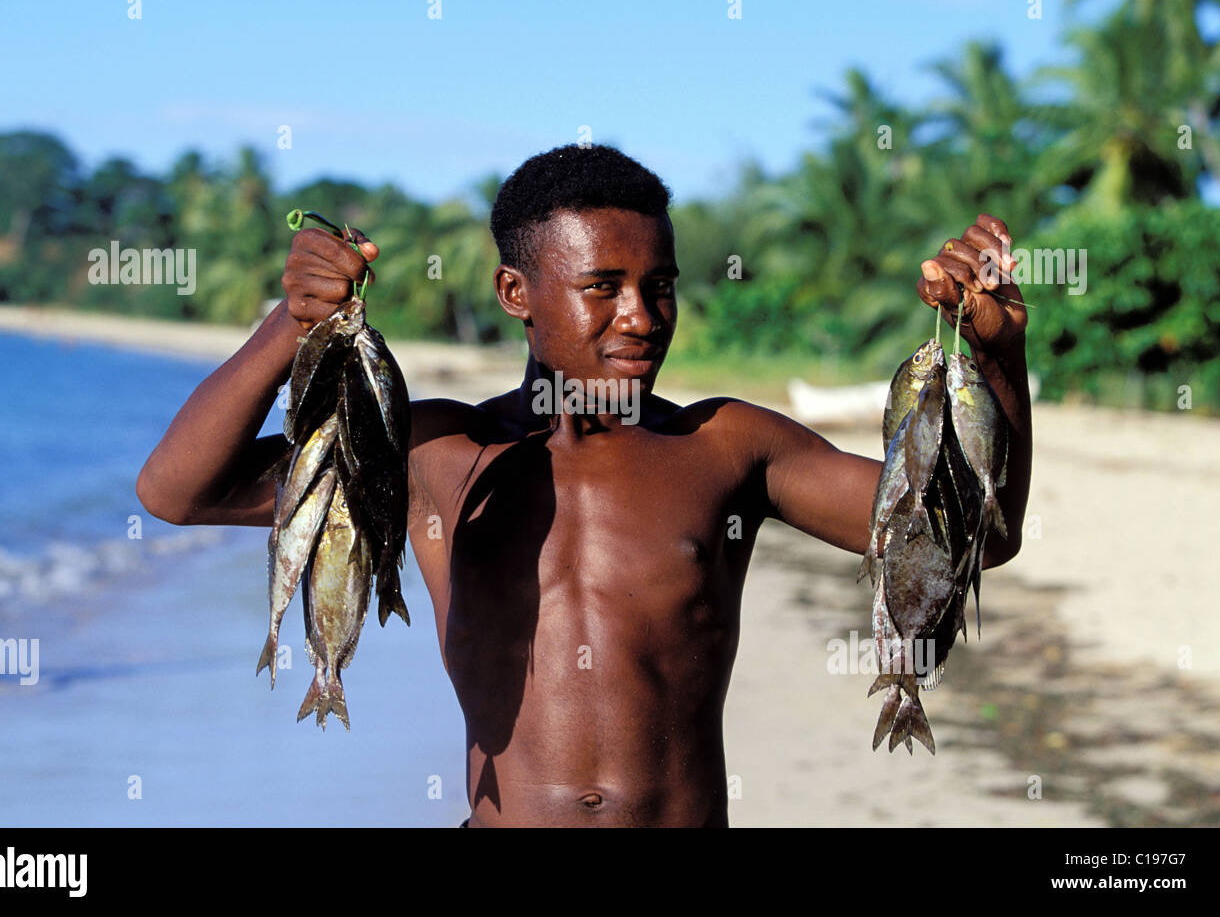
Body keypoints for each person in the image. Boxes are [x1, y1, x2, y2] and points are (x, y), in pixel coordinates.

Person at [136, 144, 1031, 827]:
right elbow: (180, 492)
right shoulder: (435, 450)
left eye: (660, 286)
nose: (641, 316)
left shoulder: (726, 445)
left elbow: (973, 539)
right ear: (515, 292)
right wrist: (288, 328)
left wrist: (999, 357)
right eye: (602, 287)